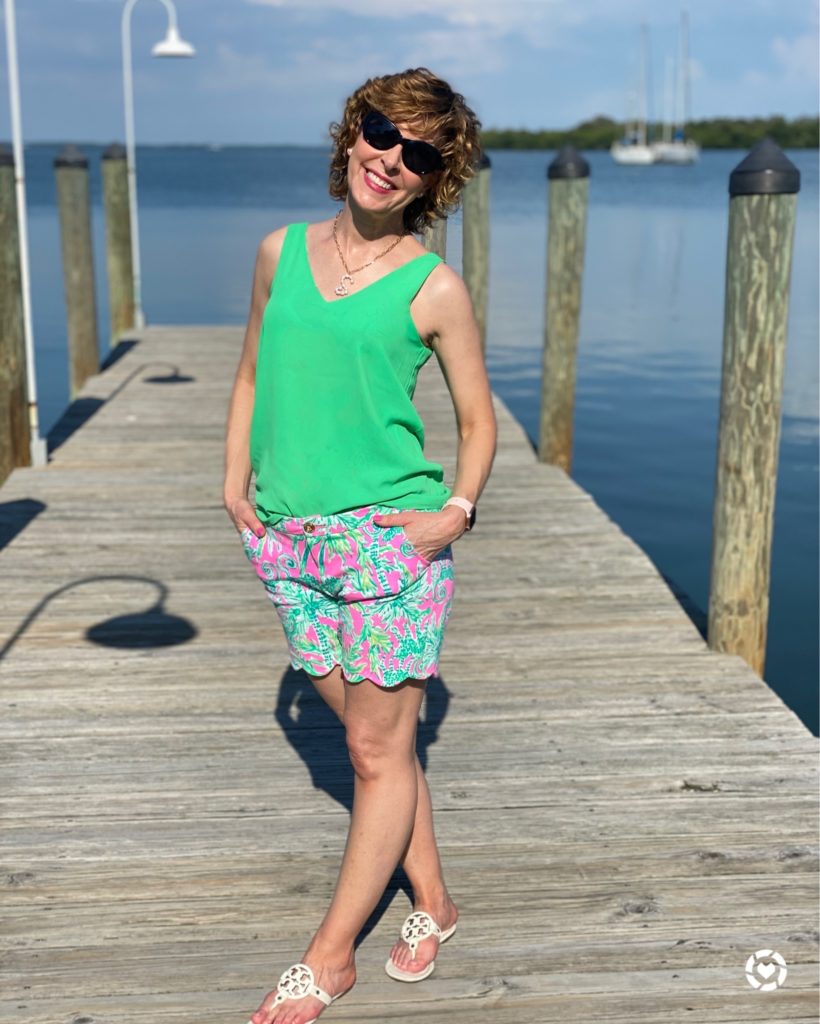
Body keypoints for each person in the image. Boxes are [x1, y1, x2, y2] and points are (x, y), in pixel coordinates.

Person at [223, 67, 497, 1024]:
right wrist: (231, 476)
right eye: (384, 132)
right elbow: (255, 366)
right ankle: (438, 906)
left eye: (419, 153)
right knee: (373, 741)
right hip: (288, 538)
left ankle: (328, 957)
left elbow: (478, 420)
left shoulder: (435, 287)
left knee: (378, 754)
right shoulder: (278, 252)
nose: (391, 159)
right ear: (353, 133)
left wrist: (455, 510)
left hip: (388, 542)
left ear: (433, 181)